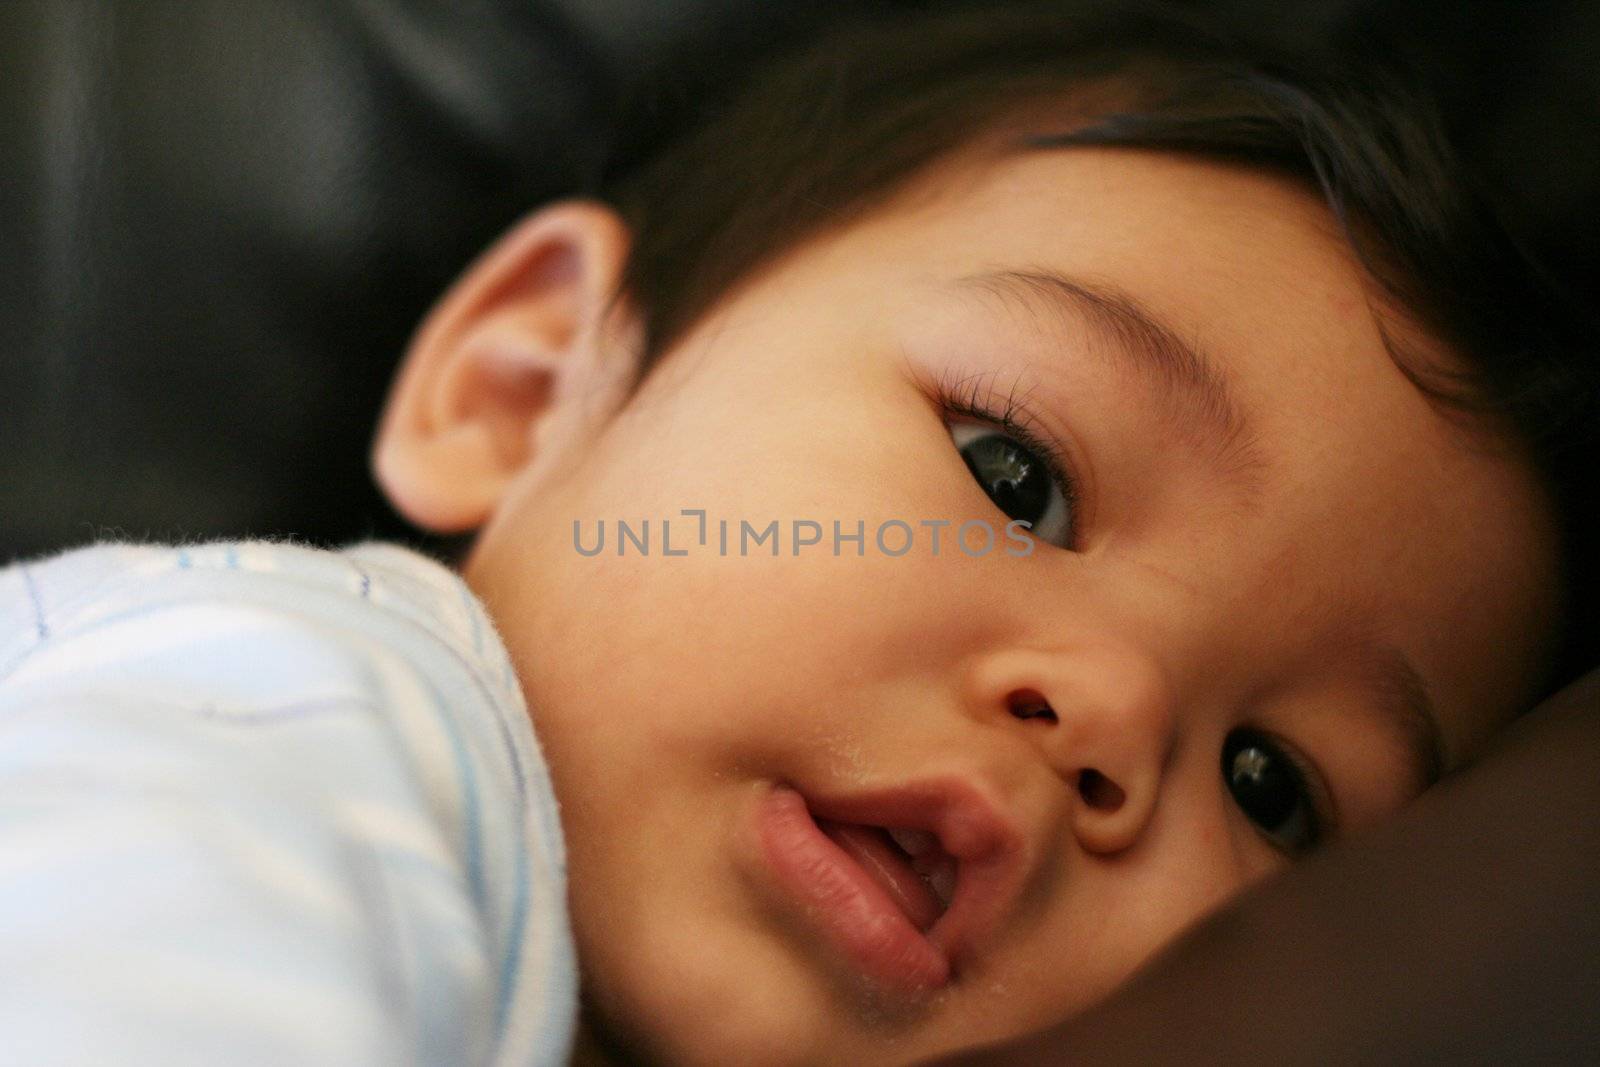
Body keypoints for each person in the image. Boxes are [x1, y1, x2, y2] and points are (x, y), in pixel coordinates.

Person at [1, 3, 1595, 1065]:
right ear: (526, 382)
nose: (1112, 715)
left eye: (1276, 784)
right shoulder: (291, 710)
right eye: (1017, 474)